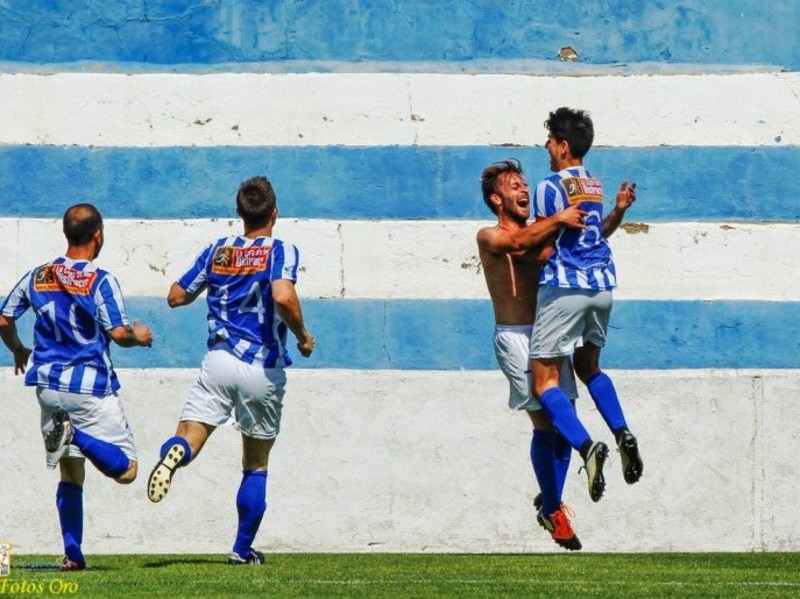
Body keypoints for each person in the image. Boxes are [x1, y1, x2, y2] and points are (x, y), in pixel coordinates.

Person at [146, 175, 315, 566]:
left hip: (219, 361)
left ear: (240, 213)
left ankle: (176, 453)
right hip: (262, 366)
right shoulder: (281, 250)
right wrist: (303, 336)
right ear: (274, 213)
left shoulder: (217, 250)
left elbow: (176, 296)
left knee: (189, 436)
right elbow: (283, 295)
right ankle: (241, 550)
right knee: (255, 464)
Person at [477, 158, 635, 551]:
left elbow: (590, 239)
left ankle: (551, 503)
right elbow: (517, 244)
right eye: (514, 185)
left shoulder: (544, 231)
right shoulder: (489, 235)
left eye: (524, 183)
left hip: (549, 332)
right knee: (546, 426)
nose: (523, 189)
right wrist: (560, 217)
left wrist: (616, 212)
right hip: (516, 338)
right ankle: (554, 506)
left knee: (563, 424)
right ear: (496, 199)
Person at [0, 203, 153, 572]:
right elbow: (119, 334)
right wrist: (140, 336)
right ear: (97, 235)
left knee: (70, 473)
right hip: (89, 386)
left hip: (48, 386)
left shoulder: (38, 275)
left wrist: (18, 349)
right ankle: (75, 435)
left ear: (66, 233)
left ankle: (73, 555)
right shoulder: (101, 280)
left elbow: (3, 319)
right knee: (128, 470)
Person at [529, 107, 643, 517]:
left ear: (563, 146)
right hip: (602, 287)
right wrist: (619, 211)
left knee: (543, 381)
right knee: (588, 366)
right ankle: (622, 432)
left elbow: (543, 244)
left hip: (566, 288)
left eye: (549, 142)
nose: (546, 148)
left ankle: (587, 446)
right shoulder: (592, 184)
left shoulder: (549, 186)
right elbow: (596, 234)